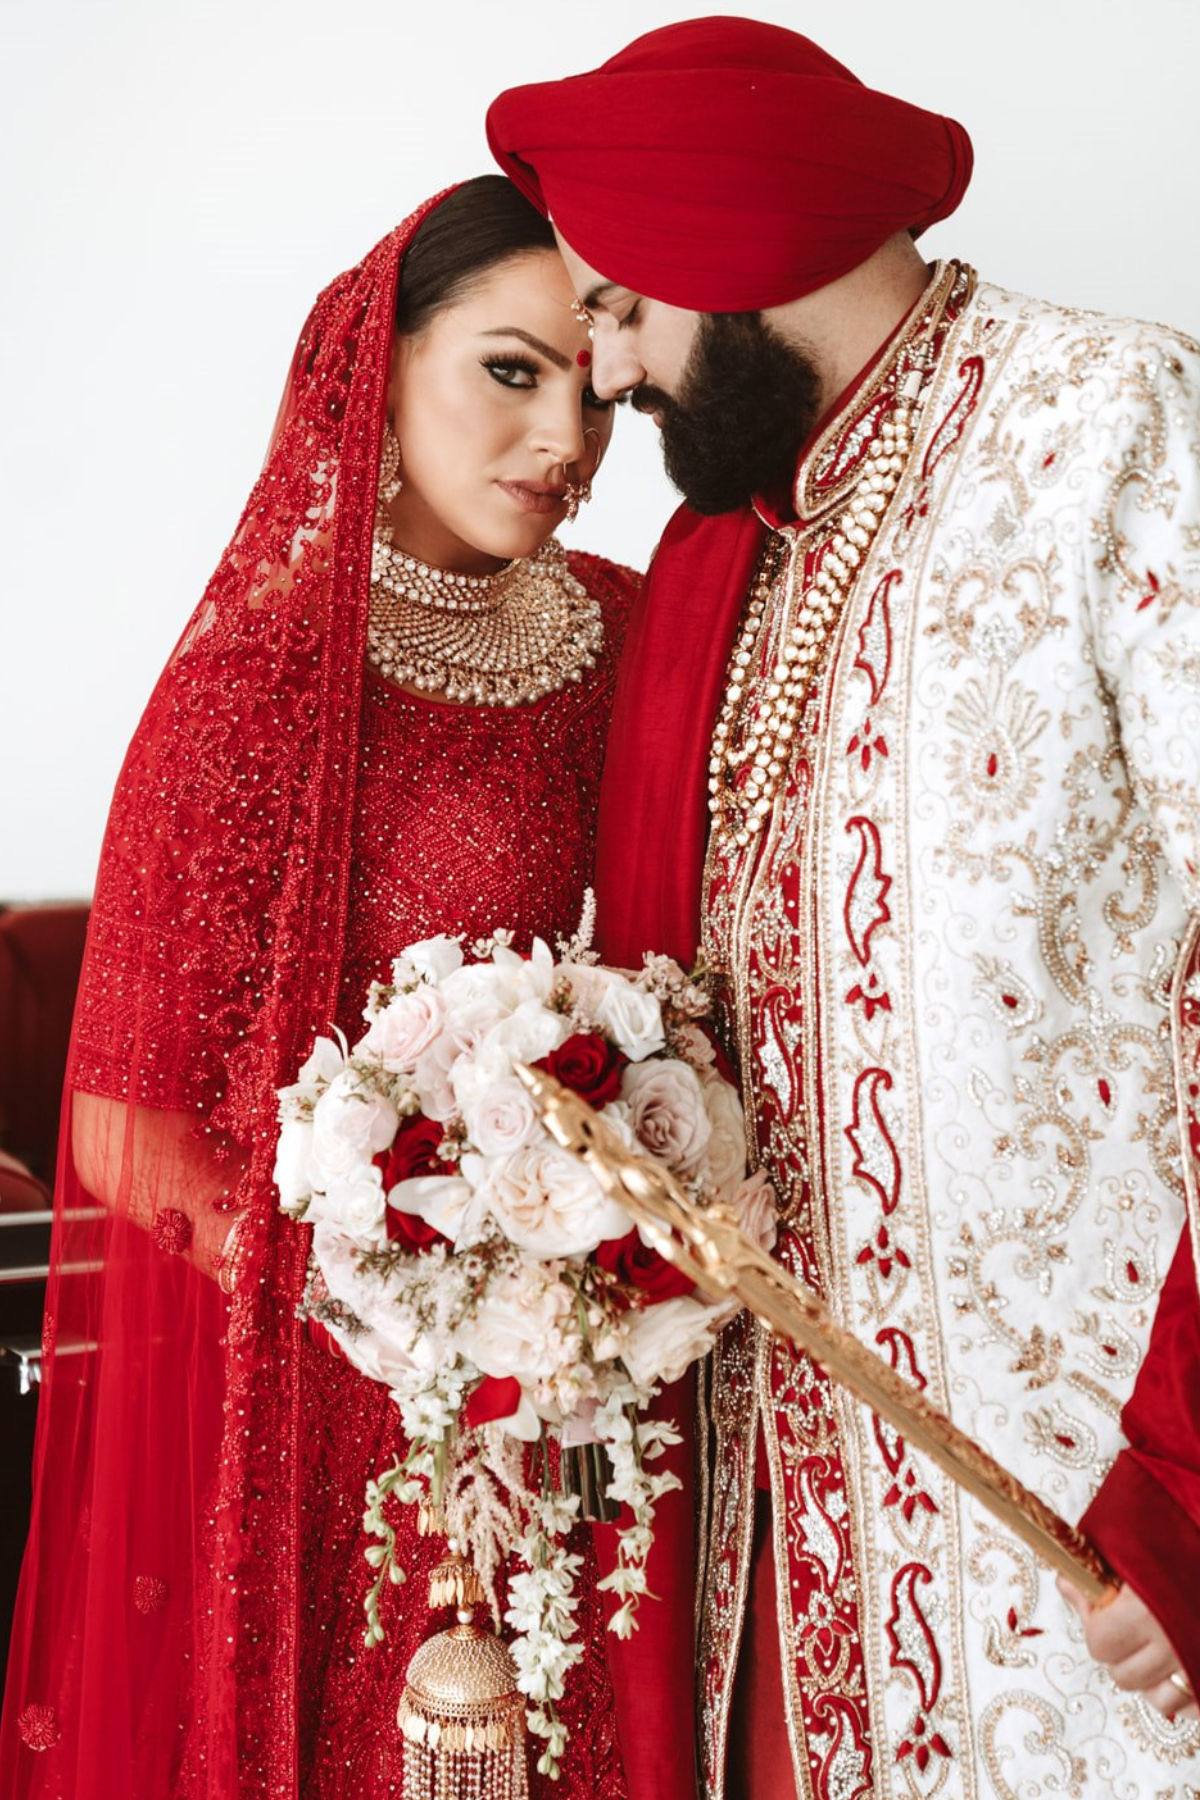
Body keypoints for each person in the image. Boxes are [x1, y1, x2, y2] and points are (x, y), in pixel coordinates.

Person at [488, 18, 1200, 1800]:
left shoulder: (1108, 423)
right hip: (778, 1605)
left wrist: (1192, 1477)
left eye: (617, 300)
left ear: (726, 247)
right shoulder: (719, 551)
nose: (607, 365)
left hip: (1082, 1558)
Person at [0, 175, 637, 1799]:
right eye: (510, 370)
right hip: (342, 1393)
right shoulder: (258, 689)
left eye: (592, 385)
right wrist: (409, 1322)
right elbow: (118, 1124)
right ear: (379, 360)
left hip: (618, 1359)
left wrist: (576, 1304)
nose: (562, 435)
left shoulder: (636, 636)